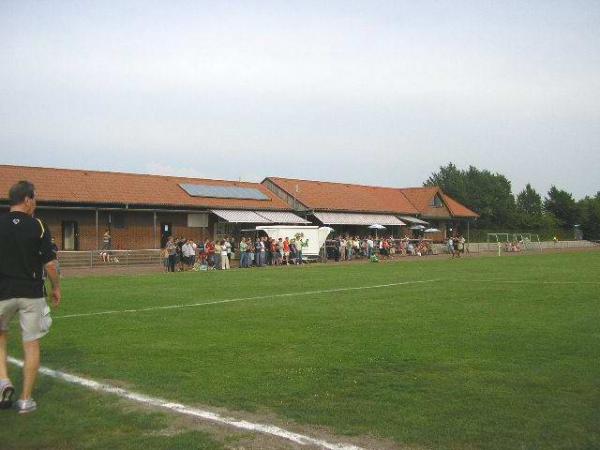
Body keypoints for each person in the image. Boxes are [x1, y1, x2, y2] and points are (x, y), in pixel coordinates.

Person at [0, 181, 61, 414]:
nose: (36, 202)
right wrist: (56, 288)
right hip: (31, 293)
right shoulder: (39, 226)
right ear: (27, 199)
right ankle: (26, 400)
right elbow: (51, 264)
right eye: (34, 197)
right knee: (31, 344)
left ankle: (4, 380)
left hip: (2, 292)